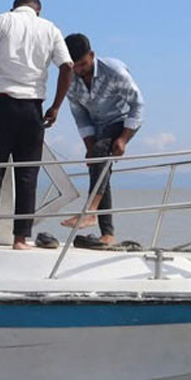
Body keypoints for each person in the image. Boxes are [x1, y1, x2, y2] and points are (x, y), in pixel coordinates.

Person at [0, 0, 73, 250]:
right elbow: (67, 66)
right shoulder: (50, 28)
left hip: (1, 104)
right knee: (27, 174)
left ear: (13, 7)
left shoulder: (0, 20)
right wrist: (55, 106)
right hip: (33, 109)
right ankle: (21, 239)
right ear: (38, 11)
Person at [62, 33, 145, 244]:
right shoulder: (69, 77)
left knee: (100, 154)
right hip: (95, 126)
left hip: (120, 120)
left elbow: (138, 105)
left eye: (83, 64)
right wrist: (88, 146)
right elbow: (79, 113)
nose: (79, 71)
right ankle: (108, 234)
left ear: (92, 55)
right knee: (99, 166)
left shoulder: (114, 71)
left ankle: (90, 212)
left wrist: (124, 139)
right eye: (75, 66)